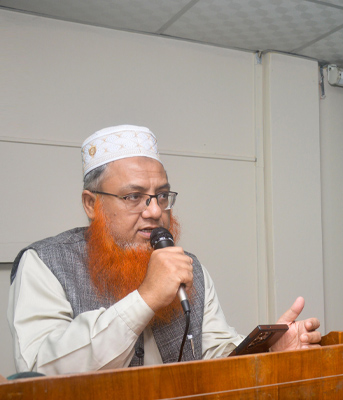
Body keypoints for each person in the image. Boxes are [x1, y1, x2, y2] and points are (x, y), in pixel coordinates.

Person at [8, 125, 321, 376]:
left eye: (161, 195)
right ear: (91, 204)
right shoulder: (46, 264)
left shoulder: (188, 268)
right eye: (134, 197)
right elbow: (40, 370)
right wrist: (145, 299)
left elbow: (214, 354)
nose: (155, 211)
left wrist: (269, 352)